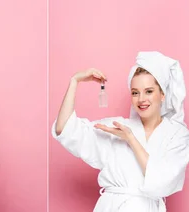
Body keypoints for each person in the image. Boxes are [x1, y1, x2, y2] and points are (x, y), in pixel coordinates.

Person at [52, 51, 189, 211]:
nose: (141, 99)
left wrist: (131, 138)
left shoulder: (177, 134)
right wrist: (74, 81)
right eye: (135, 92)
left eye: (149, 91)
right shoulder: (116, 127)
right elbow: (65, 129)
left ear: (162, 95)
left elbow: (164, 180)